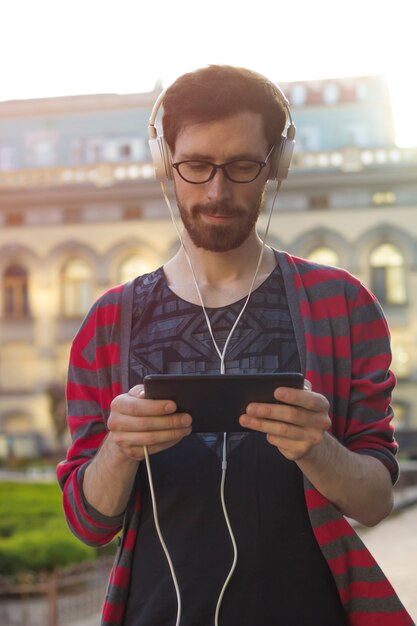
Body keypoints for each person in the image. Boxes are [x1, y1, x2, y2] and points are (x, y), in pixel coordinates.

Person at [57, 65, 414, 626]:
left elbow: (373, 502)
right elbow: (87, 524)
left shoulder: (343, 306)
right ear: (163, 164)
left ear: (275, 166)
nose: (217, 191)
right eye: (196, 165)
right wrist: (119, 450)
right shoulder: (108, 322)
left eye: (242, 165)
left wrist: (316, 448)